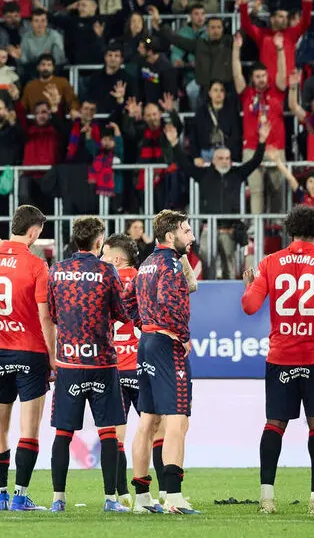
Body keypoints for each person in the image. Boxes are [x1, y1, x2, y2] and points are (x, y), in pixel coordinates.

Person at [241, 206, 314, 516]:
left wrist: (250, 285)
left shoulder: (270, 263)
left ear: (290, 231)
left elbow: (249, 306)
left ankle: (266, 500)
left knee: (275, 423)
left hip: (281, 356)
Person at [46, 216, 133, 513]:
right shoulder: (107, 270)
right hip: (102, 362)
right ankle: (111, 499)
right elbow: (122, 313)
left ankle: (58, 499)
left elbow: (54, 314)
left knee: (62, 433)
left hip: (69, 360)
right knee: (108, 432)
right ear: (98, 242)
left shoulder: (57, 270)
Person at [0, 205, 54, 511]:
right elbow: (45, 317)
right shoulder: (36, 266)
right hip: (31, 352)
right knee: (29, 430)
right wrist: (53, 355)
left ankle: (0, 497)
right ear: (33, 232)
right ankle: (20, 496)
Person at [131, 209, 200, 514]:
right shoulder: (171, 263)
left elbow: (126, 301)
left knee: (148, 421)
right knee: (177, 420)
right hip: (166, 343)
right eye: (187, 231)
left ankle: (143, 498)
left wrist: (144, 324)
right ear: (171, 236)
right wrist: (181, 335)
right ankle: (173, 496)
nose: (192, 237)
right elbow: (171, 303)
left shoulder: (145, 264)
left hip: (146, 342)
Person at [101, 233, 154, 511]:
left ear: (117, 259)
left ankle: (120, 495)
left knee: (115, 436)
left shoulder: (102, 282)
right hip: (141, 366)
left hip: (114, 368)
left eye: (104, 254)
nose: (100, 259)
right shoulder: (146, 278)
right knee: (151, 431)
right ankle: (153, 495)